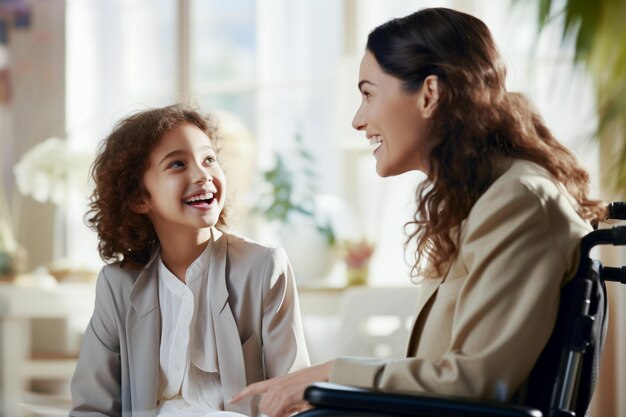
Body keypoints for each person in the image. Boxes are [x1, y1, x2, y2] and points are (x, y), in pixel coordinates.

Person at [230, 7, 606, 417]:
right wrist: (325, 376)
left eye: (368, 93)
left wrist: (332, 375)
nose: (358, 119)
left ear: (429, 94)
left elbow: (476, 383)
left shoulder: (518, 201)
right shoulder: (484, 199)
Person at [69, 104, 310, 417]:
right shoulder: (118, 285)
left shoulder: (263, 267)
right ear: (139, 198)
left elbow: (292, 396)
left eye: (209, 159)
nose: (202, 174)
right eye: (178, 164)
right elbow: (93, 406)